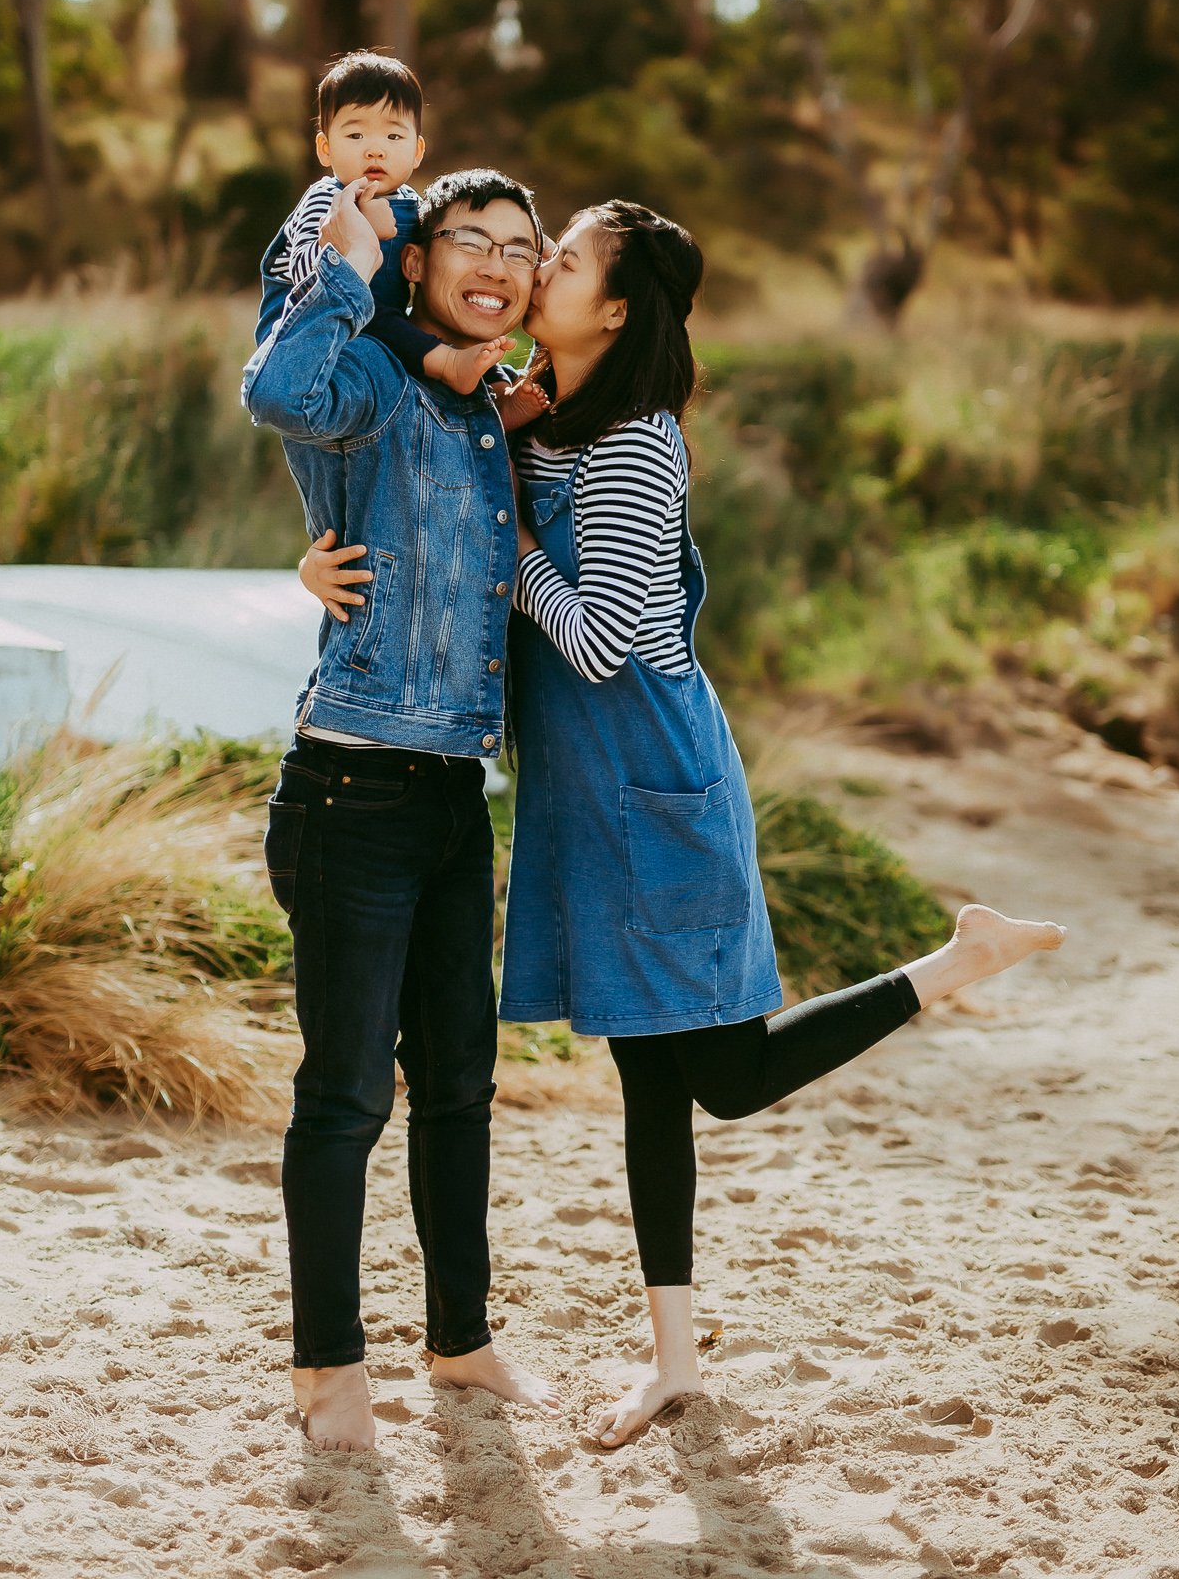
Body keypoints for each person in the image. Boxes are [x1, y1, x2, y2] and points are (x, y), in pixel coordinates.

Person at [303, 198, 1067, 1450]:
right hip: (592, 791)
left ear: (612, 307)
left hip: (655, 781)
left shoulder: (634, 444)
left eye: (560, 262)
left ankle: (952, 961)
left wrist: (516, 540)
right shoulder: (551, 416)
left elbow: (601, 639)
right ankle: (673, 1360)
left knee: (722, 1075)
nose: (534, 271)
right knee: (644, 1076)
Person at [241, 167, 558, 1455]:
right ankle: (325, 1366)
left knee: (463, 1086)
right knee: (346, 1093)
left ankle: (460, 1336)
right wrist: (348, 258)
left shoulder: (492, 408)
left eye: (521, 250)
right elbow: (277, 391)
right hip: (353, 786)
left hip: (451, 796)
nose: (496, 261)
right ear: (418, 266)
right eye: (467, 239)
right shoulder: (374, 379)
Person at [258, 48, 524, 400]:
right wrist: (358, 238)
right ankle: (449, 365)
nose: (375, 150)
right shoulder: (327, 199)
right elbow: (305, 275)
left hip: (381, 326)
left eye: (393, 137)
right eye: (355, 136)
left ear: (417, 151)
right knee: (388, 323)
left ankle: (493, 386)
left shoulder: (412, 204)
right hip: (312, 335)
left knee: (447, 314)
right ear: (325, 149)